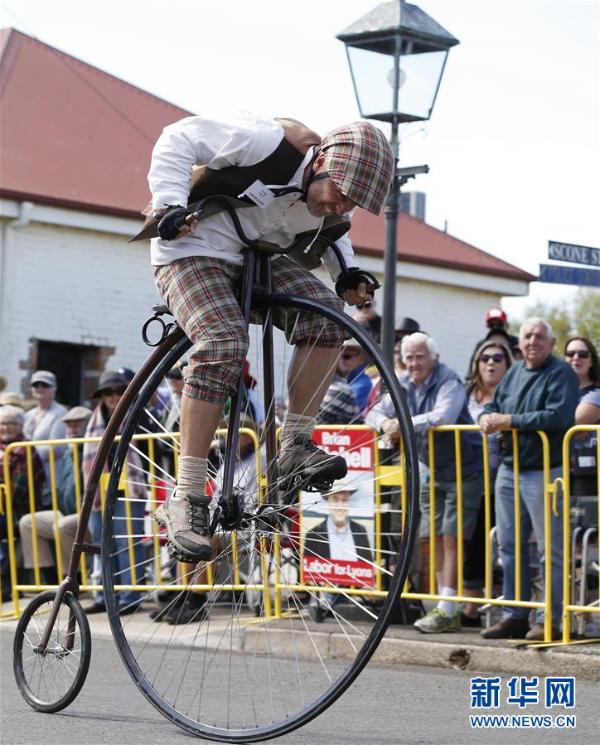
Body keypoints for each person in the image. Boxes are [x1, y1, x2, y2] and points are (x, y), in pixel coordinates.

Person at [145, 113, 394, 563]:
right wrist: (169, 203)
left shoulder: (334, 200)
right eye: (341, 193)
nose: (342, 206)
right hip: (192, 245)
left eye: (353, 201)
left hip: (252, 259)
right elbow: (177, 137)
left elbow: (335, 233)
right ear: (322, 163)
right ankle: (186, 496)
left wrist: (346, 275)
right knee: (223, 342)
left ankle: (295, 445)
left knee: (330, 321)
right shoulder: (267, 143)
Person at [367, 332, 483, 633]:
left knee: (452, 536)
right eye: (409, 358)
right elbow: (375, 411)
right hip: (431, 468)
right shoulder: (402, 381)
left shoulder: (449, 379)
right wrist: (385, 423)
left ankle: (448, 606)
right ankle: (445, 605)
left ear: (435, 357)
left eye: (420, 356)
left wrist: (401, 424)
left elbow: (443, 415)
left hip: (463, 467)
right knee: (433, 537)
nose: (414, 363)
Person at [479, 318, 579, 641]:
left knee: (549, 548)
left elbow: (558, 416)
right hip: (510, 469)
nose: (533, 341)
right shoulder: (514, 372)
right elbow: (494, 404)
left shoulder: (561, 372)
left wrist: (508, 421)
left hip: (546, 469)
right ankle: (515, 613)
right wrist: (485, 416)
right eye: (527, 336)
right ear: (519, 344)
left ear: (551, 343)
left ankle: (549, 616)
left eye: (539, 336)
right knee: (509, 545)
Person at [83, 371, 146, 614]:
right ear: (101, 395)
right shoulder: (94, 420)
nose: (115, 396)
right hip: (100, 488)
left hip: (130, 484)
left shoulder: (138, 414)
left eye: (120, 391)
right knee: (100, 541)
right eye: (109, 392)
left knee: (127, 541)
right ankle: (104, 595)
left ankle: (131, 596)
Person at [461, 341, 512, 624]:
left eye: (497, 358)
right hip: (469, 477)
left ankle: (499, 600)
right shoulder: (467, 393)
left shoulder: (510, 393)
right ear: (476, 363)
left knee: (502, 541)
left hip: (502, 476)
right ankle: (470, 603)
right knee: (473, 540)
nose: (490, 363)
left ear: (507, 364)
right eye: (485, 358)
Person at [18, 406, 92, 581]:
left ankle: (73, 578)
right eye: (69, 426)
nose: (72, 430)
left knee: (63, 526)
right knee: (28, 522)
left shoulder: (92, 451)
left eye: (77, 425)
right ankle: (50, 580)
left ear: (88, 427)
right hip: (68, 511)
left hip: (91, 516)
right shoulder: (68, 452)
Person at [303, 479, 373, 622]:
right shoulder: (314, 533)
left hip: (354, 591)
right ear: (328, 502)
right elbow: (308, 572)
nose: (340, 506)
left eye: (344, 500)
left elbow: (367, 564)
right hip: (325, 589)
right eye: (335, 500)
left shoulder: (360, 531)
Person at [0, 405, 46, 591]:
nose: (6, 427)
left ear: (20, 426)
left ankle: (5, 584)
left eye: (11, 423)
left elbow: (19, 488)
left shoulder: (25, 450)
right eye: (2, 423)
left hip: (19, 509)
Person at [23, 371, 68, 506]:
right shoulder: (28, 414)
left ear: (54, 388)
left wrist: (25, 452)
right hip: (30, 475)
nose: (40, 388)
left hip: (51, 476)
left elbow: (55, 448)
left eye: (45, 385)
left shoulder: (60, 413)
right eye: (36, 385)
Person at [564, 336, 600, 498]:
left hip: (591, 473)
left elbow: (572, 423)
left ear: (592, 360)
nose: (576, 358)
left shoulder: (597, 392)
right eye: (570, 354)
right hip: (560, 471)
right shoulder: (554, 391)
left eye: (583, 354)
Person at [336, 338, 372, 413]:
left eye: (347, 356)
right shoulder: (341, 379)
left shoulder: (363, 384)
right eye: (340, 355)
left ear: (361, 359)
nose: (342, 359)